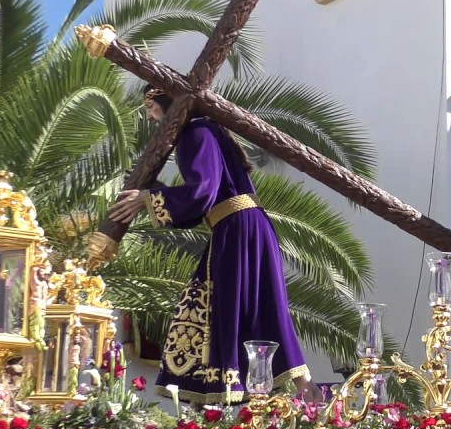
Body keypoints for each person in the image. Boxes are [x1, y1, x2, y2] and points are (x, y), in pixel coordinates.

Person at [108, 85, 317, 404]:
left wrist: (149, 197)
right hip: (240, 227)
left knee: (217, 303)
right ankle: (299, 388)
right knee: (255, 306)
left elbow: (202, 191)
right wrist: (152, 193)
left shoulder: (196, 132)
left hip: (237, 229)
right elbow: (201, 201)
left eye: (150, 107)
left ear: (167, 103)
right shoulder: (205, 131)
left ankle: (239, 391)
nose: (150, 117)